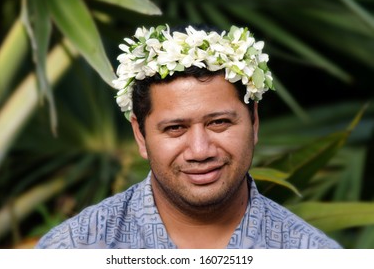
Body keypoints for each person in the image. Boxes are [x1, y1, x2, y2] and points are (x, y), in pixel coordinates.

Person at [36, 24, 341, 249]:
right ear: (140, 136)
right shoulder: (74, 247)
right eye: (175, 128)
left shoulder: (311, 251)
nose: (200, 150)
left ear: (254, 121)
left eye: (219, 122)